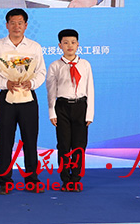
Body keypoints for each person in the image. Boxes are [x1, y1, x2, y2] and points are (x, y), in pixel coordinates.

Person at [0, 8, 46, 195]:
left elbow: (41, 71)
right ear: (7, 25)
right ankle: (5, 182)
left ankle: (32, 180)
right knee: (5, 141)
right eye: (13, 23)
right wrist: (5, 83)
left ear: (26, 25)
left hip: (28, 97)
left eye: (20, 23)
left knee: (30, 141)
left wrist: (31, 83)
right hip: (6, 97)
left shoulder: (34, 47)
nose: (16, 26)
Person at [46, 29, 94, 192]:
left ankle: (76, 179)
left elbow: (90, 89)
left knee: (79, 145)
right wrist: (52, 112)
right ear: (60, 45)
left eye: (73, 42)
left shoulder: (85, 64)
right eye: (65, 43)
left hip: (81, 106)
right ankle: (65, 179)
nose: (70, 46)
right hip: (62, 107)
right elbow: (51, 91)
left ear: (78, 44)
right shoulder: (55, 66)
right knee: (64, 145)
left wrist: (89, 113)